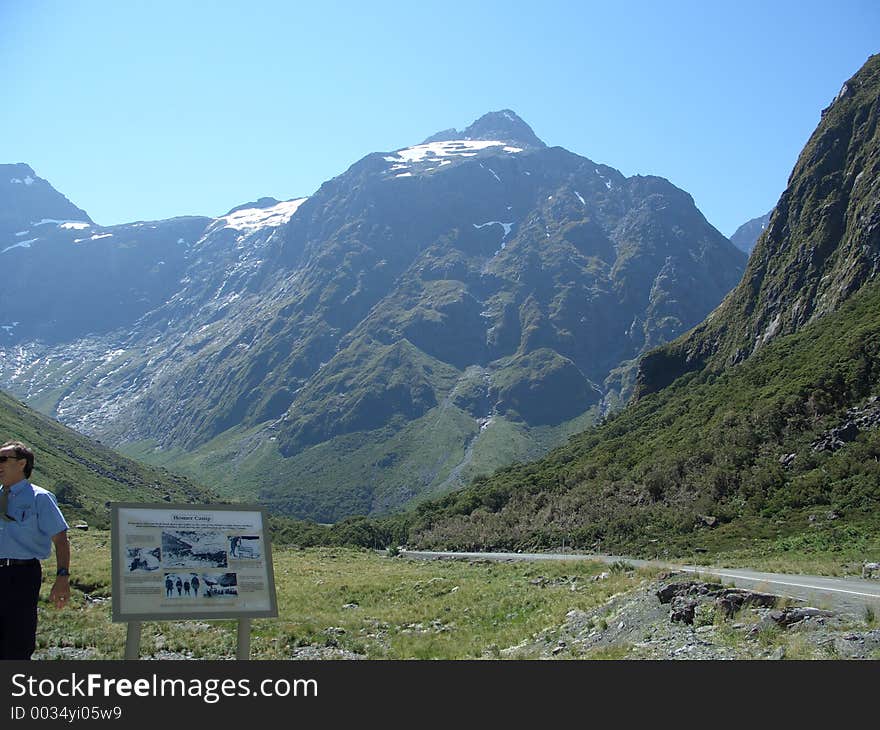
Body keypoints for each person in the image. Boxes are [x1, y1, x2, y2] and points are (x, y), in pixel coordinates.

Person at [0, 440, 71, 660]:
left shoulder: (40, 498)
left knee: (17, 639)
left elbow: (60, 539)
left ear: (21, 464)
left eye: (3, 459)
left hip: (21, 575)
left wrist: (62, 578)